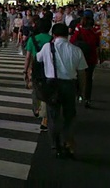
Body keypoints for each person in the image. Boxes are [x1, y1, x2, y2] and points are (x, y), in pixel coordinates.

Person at [37, 23, 88, 159]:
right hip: (69, 86)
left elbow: (38, 59)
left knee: (52, 117)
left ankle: (55, 146)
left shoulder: (47, 47)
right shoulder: (76, 50)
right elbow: (82, 73)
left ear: (53, 35)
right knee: (69, 116)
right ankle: (68, 142)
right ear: (68, 34)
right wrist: (82, 91)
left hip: (51, 85)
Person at [24, 17, 52, 131]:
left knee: (36, 89)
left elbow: (28, 57)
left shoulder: (33, 39)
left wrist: (26, 71)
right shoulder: (52, 39)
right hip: (49, 68)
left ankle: (36, 109)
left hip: (35, 68)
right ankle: (44, 119)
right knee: (48, 92)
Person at [70, 16, 100, 108]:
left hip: (79, 58)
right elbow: (97, 45)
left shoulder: (79, 31)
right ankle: (87, 98)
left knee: (77, 76)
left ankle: (78, 94)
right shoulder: (95, 33)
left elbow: (72, 41)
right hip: (91, 58)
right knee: (89, 79)